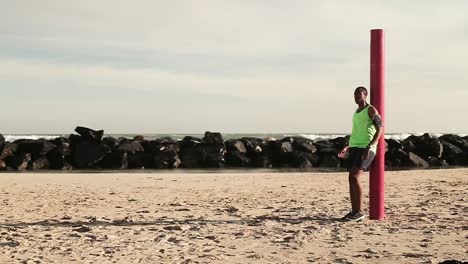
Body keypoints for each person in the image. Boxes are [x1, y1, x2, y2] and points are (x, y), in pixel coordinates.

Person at [338, 86, 383, 221]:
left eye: (359, 94)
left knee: (355, 177)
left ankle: (359, 211)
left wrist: (370, 146)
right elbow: (356, 132)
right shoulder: (356, 112)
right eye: (355, 95)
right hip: (355, 147)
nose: (356, 97)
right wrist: (347, 146)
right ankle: (354, 211)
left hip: (366, 148)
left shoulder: (371, 109)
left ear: (365, 95)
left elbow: (380, 129)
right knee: (351, 178)